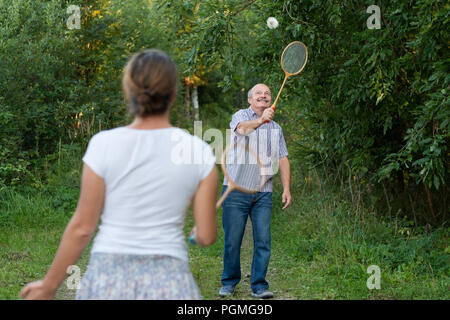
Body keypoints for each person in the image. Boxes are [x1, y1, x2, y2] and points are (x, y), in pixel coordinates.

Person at [20, 49, 218, 300]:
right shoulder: (198, 151)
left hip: (107, 276)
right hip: (170, 280)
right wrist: (197, 235)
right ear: (174, 95)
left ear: (129, 92)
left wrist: (49, 285)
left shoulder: (103, 144)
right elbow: (207, 236)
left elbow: (82, 227)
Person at [219, 83, 291, 299]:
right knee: (233, 239)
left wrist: (286, 188)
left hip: (263, 191)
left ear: (271, 100)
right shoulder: (240, 116)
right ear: (250, 99)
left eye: (267, 93)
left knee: (263, 240)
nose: (264, 95)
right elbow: (242, 129)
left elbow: (283, 158)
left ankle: (259, 285)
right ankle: (229, 282)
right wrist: (261, 120)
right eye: (259, 93)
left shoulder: (276, 128)